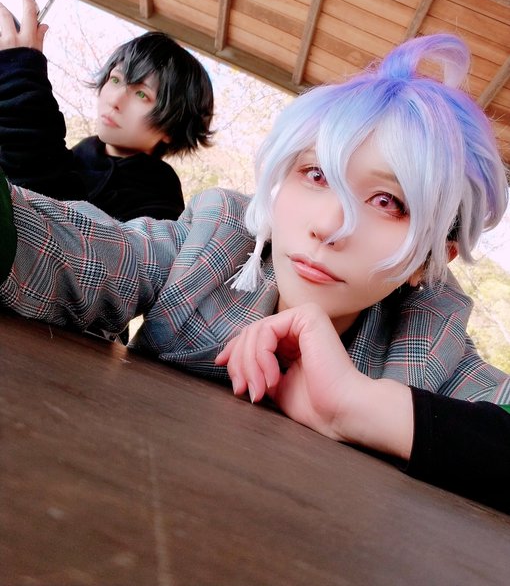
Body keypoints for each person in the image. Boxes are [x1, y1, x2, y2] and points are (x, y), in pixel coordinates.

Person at [0, 32, 508, 405]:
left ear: (431, 258)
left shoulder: (429, 343)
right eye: (315, 174)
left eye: (388, 202)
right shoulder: (216, 242)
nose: (329, 225)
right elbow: (74, 251)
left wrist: (379, 412)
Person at [216, 302, 510, 513]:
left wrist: (356, 400)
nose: (325, 235)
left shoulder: (463, 375)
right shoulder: (195, 267)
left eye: (391, 211)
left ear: (423, 264)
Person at [0, 0, 214, 220]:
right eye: (115, 80)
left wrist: (19, 75)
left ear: (172, 129)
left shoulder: (158, 208)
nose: (115, 100)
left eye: (142, 94)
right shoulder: (79, 156)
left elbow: (60, 222)